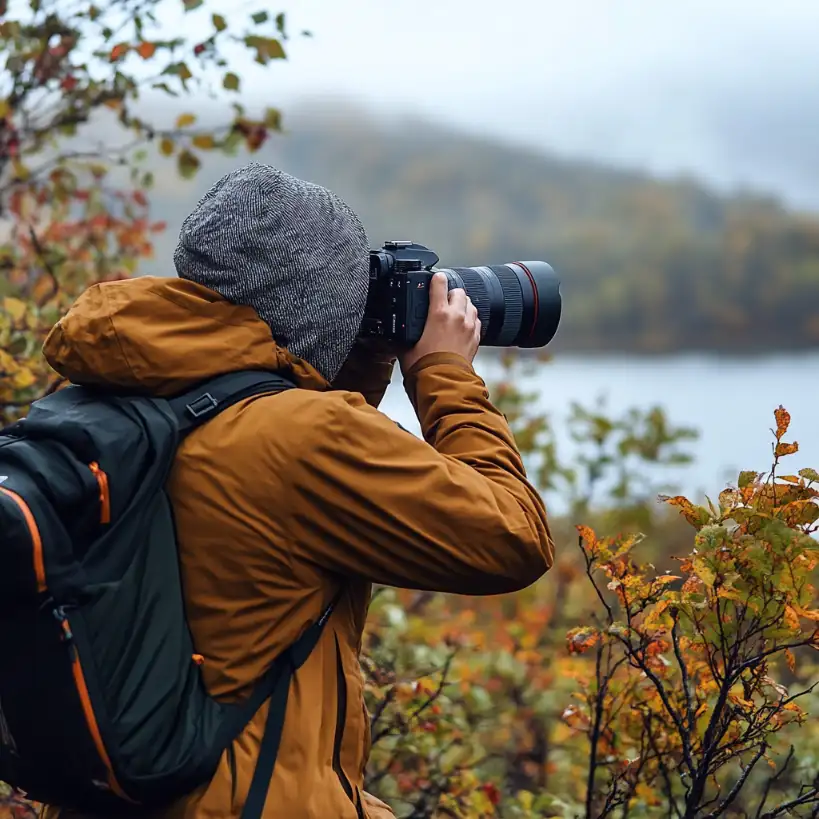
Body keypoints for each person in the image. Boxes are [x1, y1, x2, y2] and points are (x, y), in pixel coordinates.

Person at [40, 163, 554, 818]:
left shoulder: (108, 391)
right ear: (320, 308)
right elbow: (512, 537)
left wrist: (353, 357)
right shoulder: (306, 439)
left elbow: (274, 459)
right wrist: (441, 373)